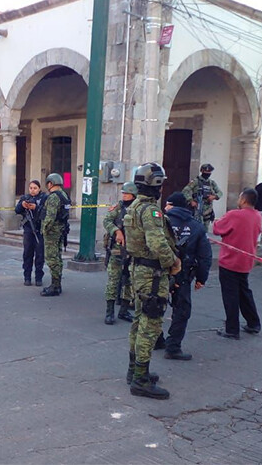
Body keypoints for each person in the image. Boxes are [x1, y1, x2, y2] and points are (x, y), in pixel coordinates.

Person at [123, 162, 181, 400]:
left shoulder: (135, 206)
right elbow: (158, 243)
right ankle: (140, 380)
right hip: (153, 275)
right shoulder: (150, 210)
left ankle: (134, 370)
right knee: (150, 324)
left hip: (138, 270)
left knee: (139, 320)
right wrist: (173, 262)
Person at [160, 192, 212, 360]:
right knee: (181, 310)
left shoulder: (159, 222)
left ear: (173, 206)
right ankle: (173, 347)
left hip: (157, 272)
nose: (165, 207)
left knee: (154, 306)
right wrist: (201, 278)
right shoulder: (196, 226)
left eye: (168, 204)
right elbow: (204, 256)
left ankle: (155, 340)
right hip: (182, 274)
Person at [213, 188, 262, 339]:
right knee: (244, 292)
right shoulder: (257, 216)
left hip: (230, 260)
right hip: (246, 260)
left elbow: (217, 228)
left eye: (240, 197)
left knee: (230, 295)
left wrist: (218, 220)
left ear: (244, 200)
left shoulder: (235, 214)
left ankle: (232, 328)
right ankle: (253, 323)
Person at [102, 181, 137, 325]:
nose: (124, 195)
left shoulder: (138, 209)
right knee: (113, 280)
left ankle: (124, 310)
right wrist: (116, 231)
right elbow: (107, 221)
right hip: (117, 249)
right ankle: (109, 312)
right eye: (123, 193)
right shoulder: (118, 207)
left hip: (134, 250)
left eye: (127, 193)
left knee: (129, 282)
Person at [40, 173, 70, 297]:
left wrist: (44, 230)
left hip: (52, 232)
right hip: (61, 230)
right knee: (58, 257)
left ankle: (55, 285)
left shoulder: (53, 197)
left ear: (50, 183)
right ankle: (57, 284)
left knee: (52, 258)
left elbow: (50, 217)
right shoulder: (64, 195)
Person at [15, 180, 47, 286]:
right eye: (31, 188)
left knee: (40, 255)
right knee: (27, 254)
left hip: (39, 230)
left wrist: (36, 207)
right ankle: (27, 277)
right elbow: (17, 210)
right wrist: (22, 205)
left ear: (39, 189)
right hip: (28, 230)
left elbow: (47, 212)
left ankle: (39, 278)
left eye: (35, 188)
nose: (32, 190)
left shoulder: (44, 198)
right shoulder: (25, 198)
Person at [182, 163, 222, 232]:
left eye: (209, 172)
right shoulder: (195, 182)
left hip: (208, 210)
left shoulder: (212, 183)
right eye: (206, 171)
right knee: (196, 229)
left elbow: (220, 193)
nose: (207, 173)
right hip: (197, 209)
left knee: (205, 231)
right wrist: (191, 200)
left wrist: (214, 196)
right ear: (202, 171)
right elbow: (185, 191)